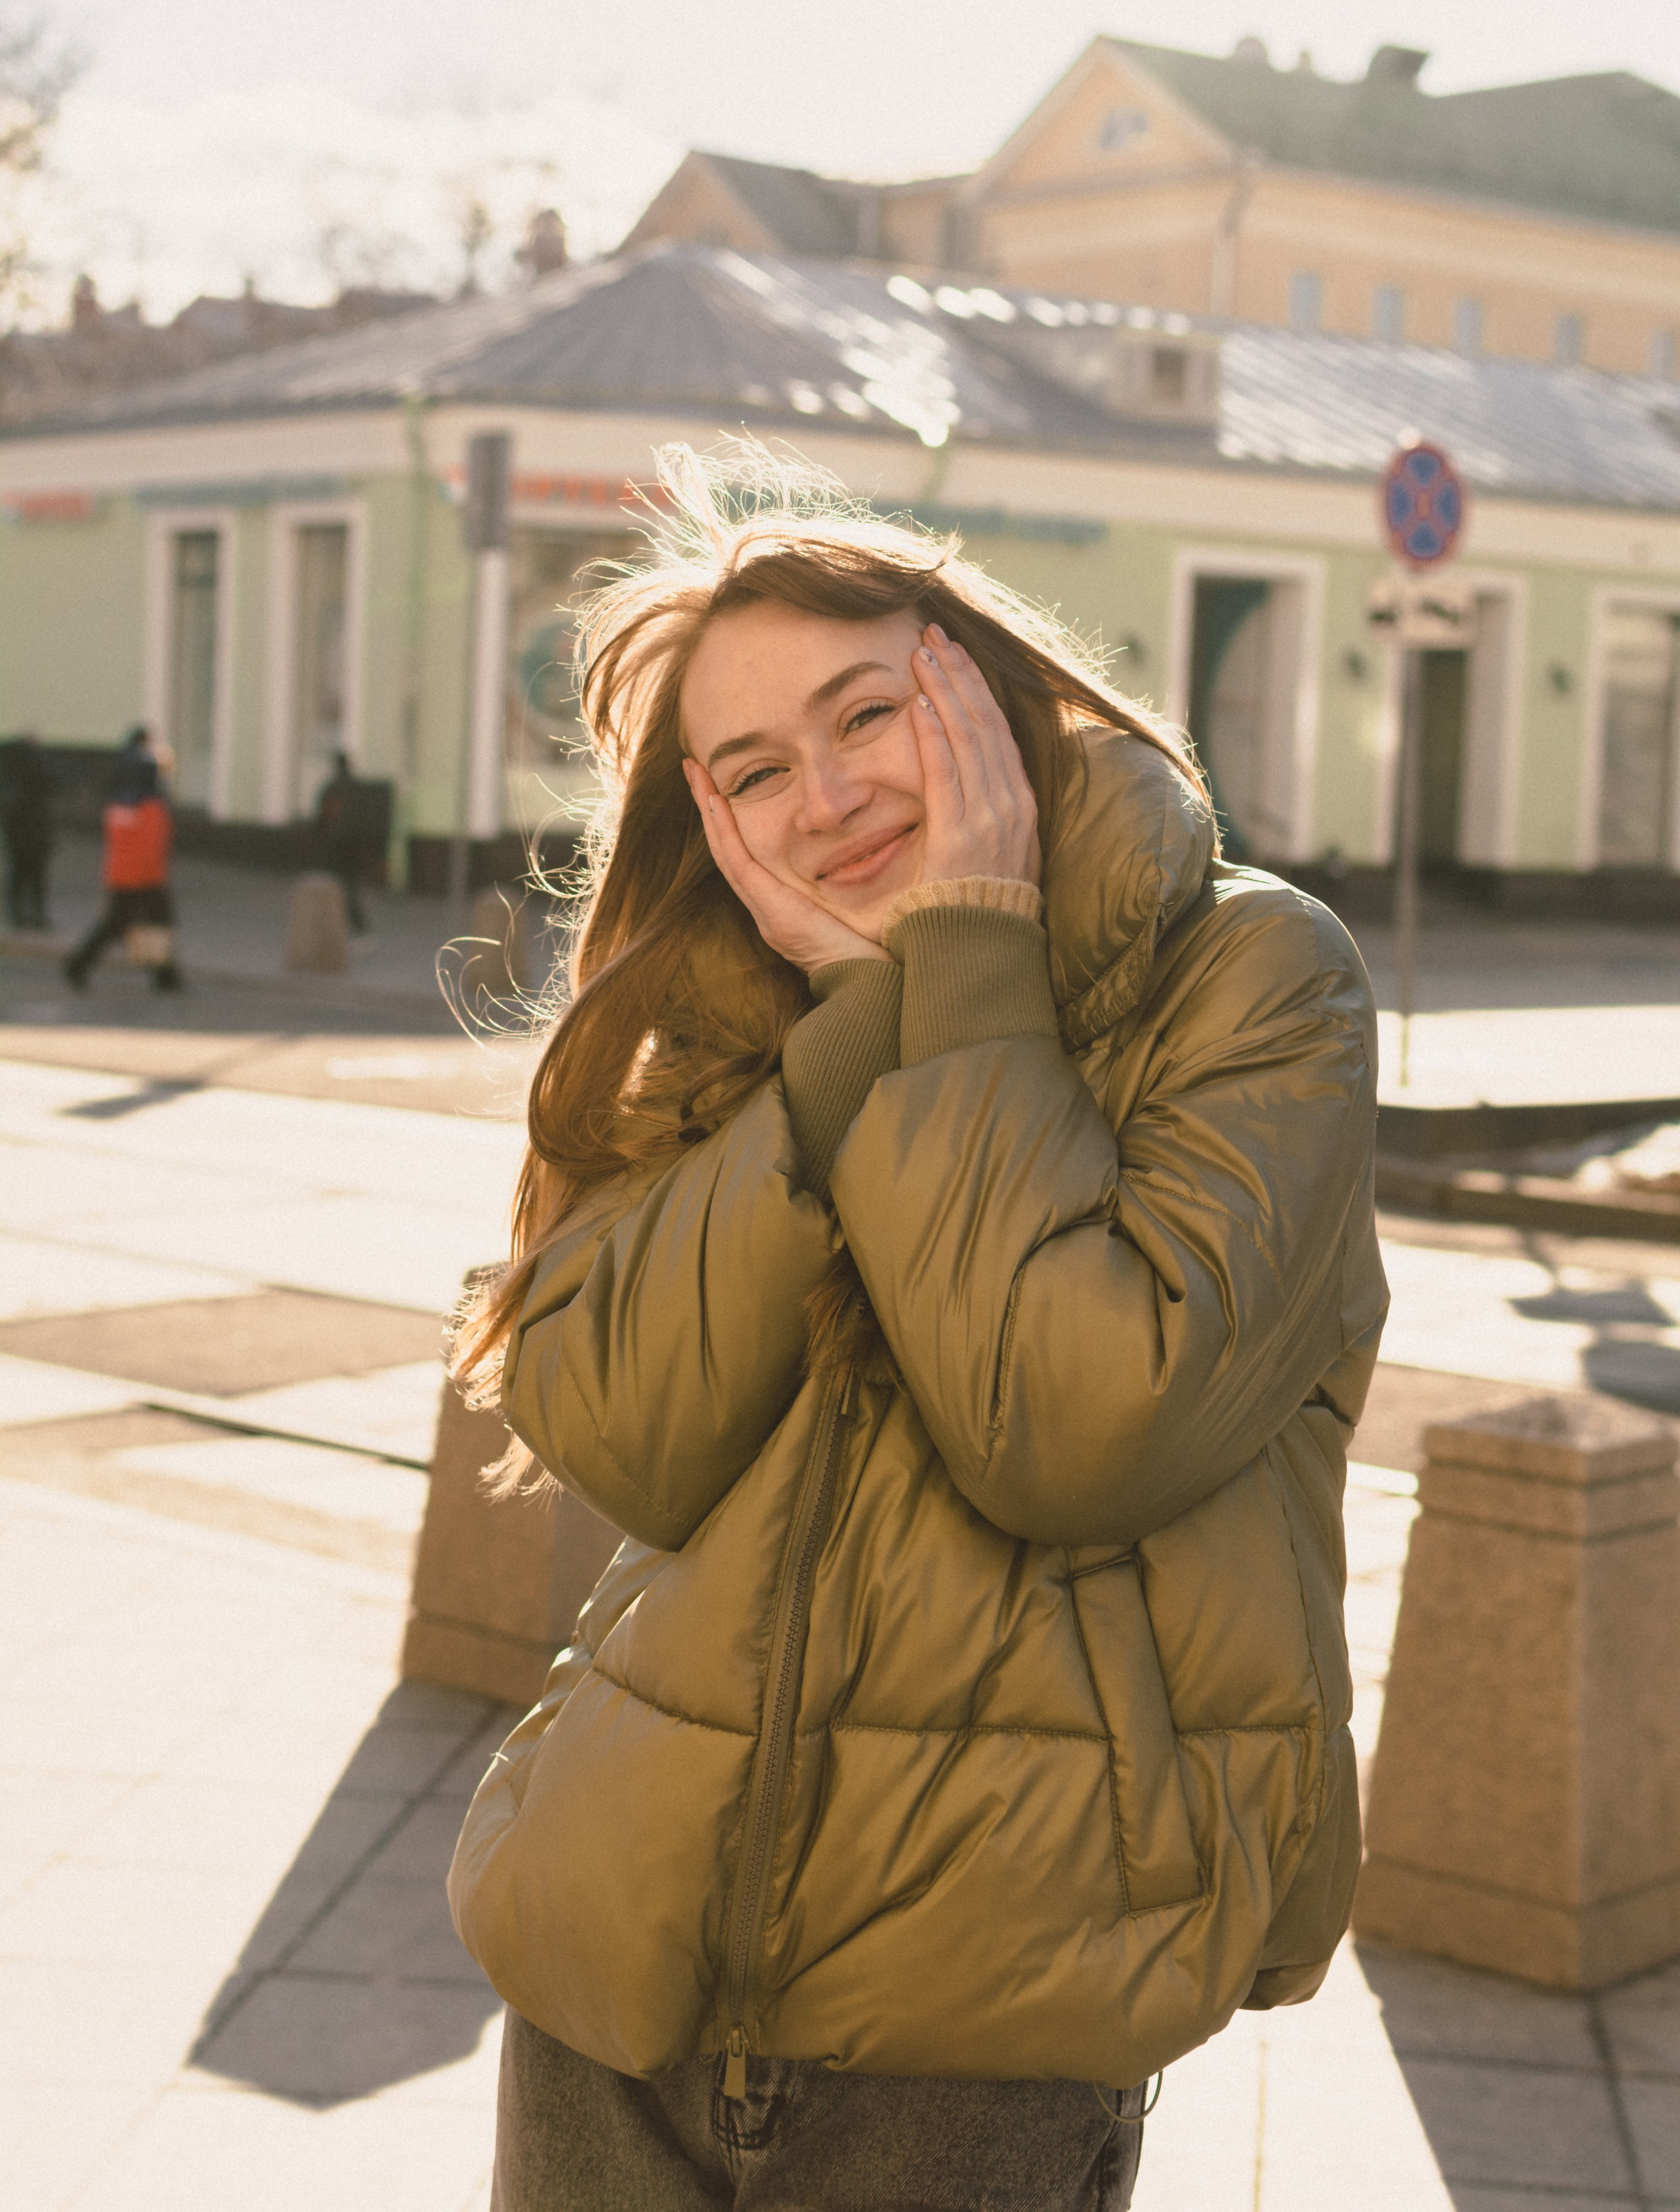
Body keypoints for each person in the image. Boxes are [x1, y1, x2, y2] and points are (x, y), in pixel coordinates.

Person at [447, 446, 1387, 2212]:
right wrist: (846, 1041)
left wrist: (964, 965)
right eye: (753, 772)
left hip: (987, 2009)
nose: (826, 798)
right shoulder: (748, 1006)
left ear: (985, 680)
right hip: (619, 1971)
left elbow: (1078, 1427)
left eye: (862, 714)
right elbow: (616, 1430)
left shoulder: (1257, 978)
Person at [64, 736, 183, 992]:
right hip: (148, 878)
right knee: (157, 924)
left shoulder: (118, 803)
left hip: (119, 874)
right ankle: (163, 976)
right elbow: (155, 847)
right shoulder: (152, 806)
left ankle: (164, 975)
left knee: (117, 925)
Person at [314, 749, 374, 933]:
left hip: (337, 845)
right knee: (350, 886)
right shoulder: (358, 789)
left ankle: (343, 926)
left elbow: (323, 816)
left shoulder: (333, 788)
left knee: (337, 886)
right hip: (356, 845)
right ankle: (353, 926)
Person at [1, 733, 54, 929]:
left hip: (24, 838)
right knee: (31, 877)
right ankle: (33, 915)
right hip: (31, 837)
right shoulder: (29, 785)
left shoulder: (12, 784)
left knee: (21, 876)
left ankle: (22, 916)